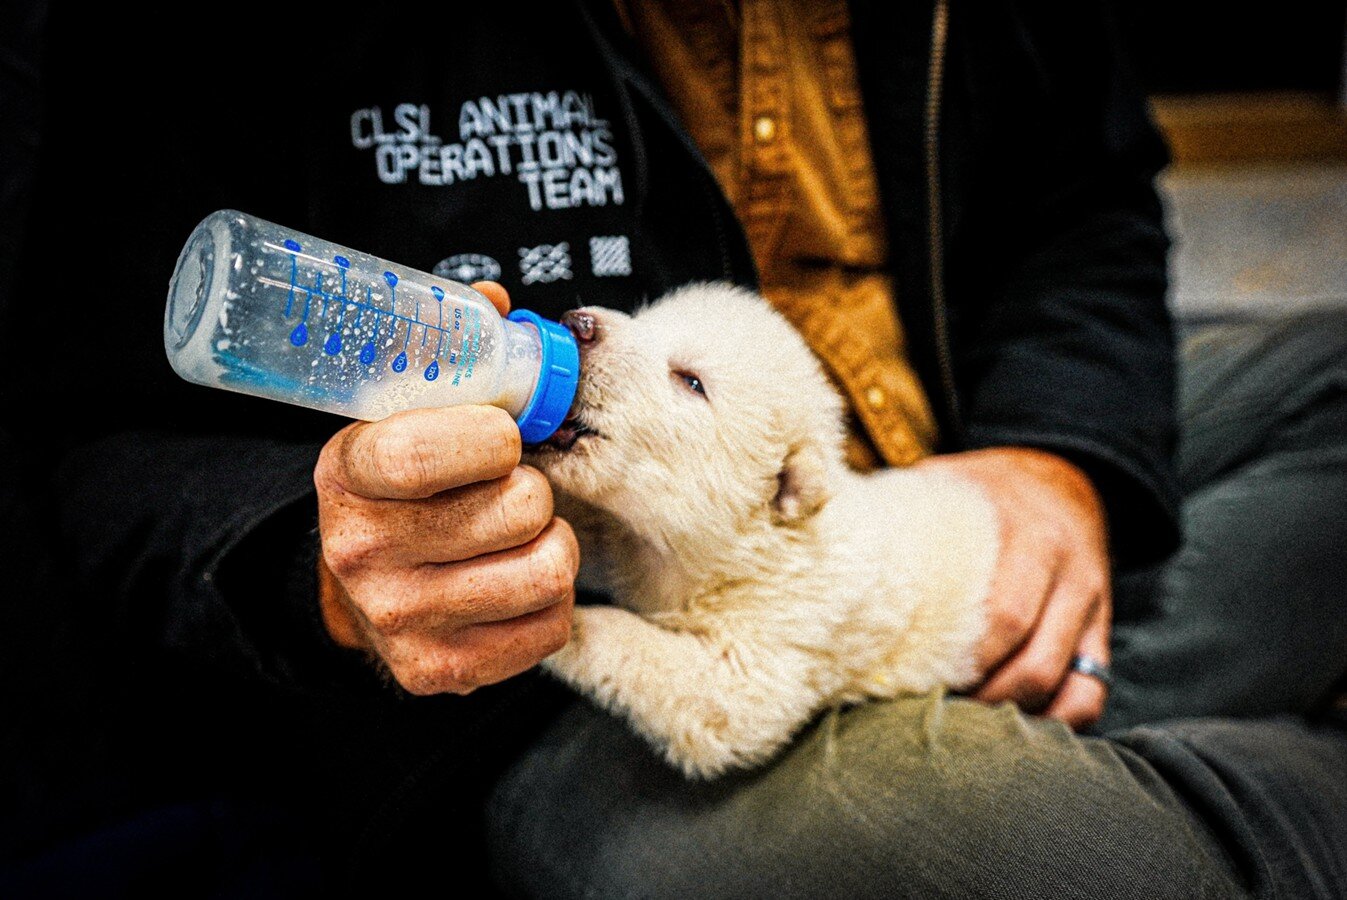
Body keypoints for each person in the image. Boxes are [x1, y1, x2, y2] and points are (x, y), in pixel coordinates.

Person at [1, 0, 1343, 896]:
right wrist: (323, 565)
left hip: (912, 479)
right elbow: (102, 442)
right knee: (1074, 858)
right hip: (528, 693)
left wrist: (1062, 458)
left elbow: (1085, 196)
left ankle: (1101, 752)